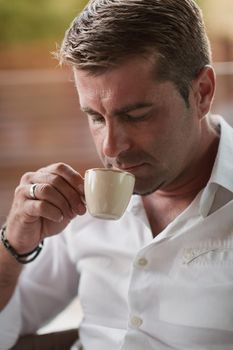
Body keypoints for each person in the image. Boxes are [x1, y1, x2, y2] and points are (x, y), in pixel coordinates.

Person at [1, 0, 233, 349]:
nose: (110, 148)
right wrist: (14, 243)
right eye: (95, 117)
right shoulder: (82, 209)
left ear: (202, 93)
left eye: (137, 115)